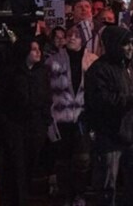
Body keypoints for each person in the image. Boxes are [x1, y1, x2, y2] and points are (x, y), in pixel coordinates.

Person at [84, 26, 133, 206]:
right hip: (109, 135)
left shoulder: (131, 65)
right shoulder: (99, 69)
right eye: (126, 44)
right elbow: (100, 100)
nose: (131, 47)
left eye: (132, 43)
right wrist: (130, 99)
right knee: (107, 183)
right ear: (115, 45)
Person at [0, 37, 51, 206]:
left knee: (29, 169)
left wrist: (45, 122)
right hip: (16, 128)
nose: (38, 52)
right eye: (33, 49)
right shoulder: (10, 74)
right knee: (16, 170)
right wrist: (7, 126)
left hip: (36, 129)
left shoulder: (41, 72)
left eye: (38, 48)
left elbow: (47, 98)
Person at [46, 26, 98, 206]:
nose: (72, 38)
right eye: (69, 35)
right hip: (61, 117)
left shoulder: (92, 61)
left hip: (83, 118)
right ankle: (66, 195)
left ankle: (79, 193)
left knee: (83, 159)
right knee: (63, 160)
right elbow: (47, 91)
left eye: (76, 36)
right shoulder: (53, 61)